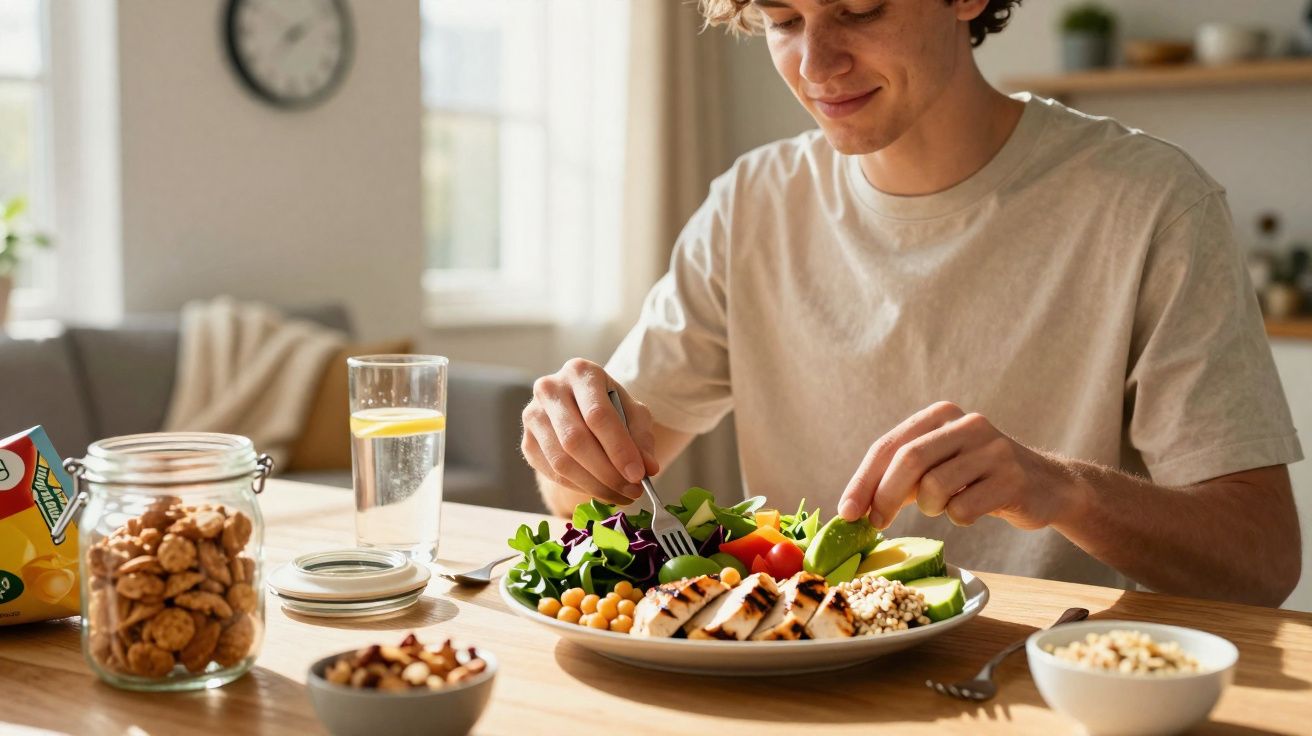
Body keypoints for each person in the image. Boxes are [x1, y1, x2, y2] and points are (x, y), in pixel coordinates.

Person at [519, 0, 1303, 606]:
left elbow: (1262, 562)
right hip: (804, 681)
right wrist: (574, 447)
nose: (816, 64)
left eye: (859, 10)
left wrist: (1065, 490)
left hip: (1044, 688)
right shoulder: (750, 206)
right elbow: (589, 493)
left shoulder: (1152, 203)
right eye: (783, 20)